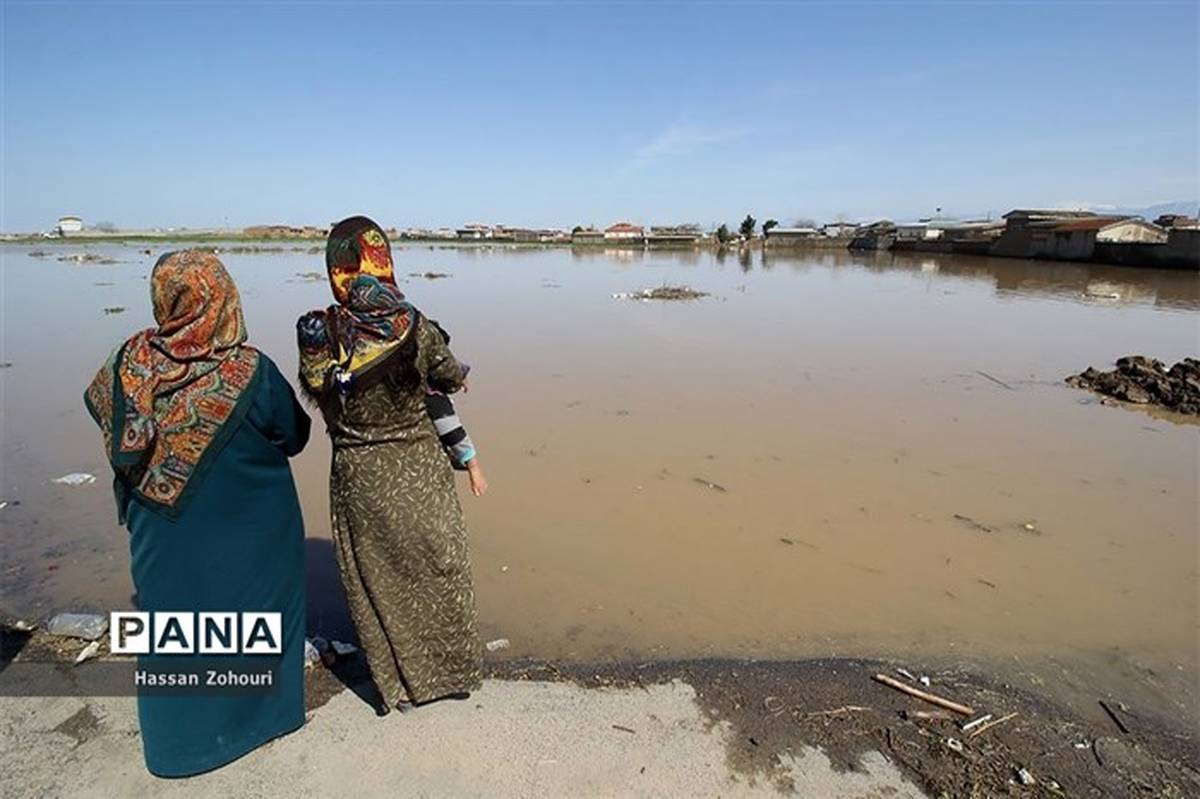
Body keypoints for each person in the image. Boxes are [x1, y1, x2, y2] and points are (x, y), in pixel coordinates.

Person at [84, 250, 310, 777]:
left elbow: (109, 426)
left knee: (172, 626)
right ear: (224, 298)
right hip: (253, 527)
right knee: (259, 611)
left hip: (159, 531)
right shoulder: (251, 370)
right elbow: (293, 434)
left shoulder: (128, 363)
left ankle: (177, 747)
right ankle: (263, 719)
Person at [296, 216, 482, 712]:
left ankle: (397, 687)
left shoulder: (319, 331)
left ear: (336, 268)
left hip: (359, 476)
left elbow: (317, 391)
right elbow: (448, 375)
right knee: (437, 567)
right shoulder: (415, 324)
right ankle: (449, 675)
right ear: (383, 262)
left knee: (376, 580)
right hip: (420, 471)